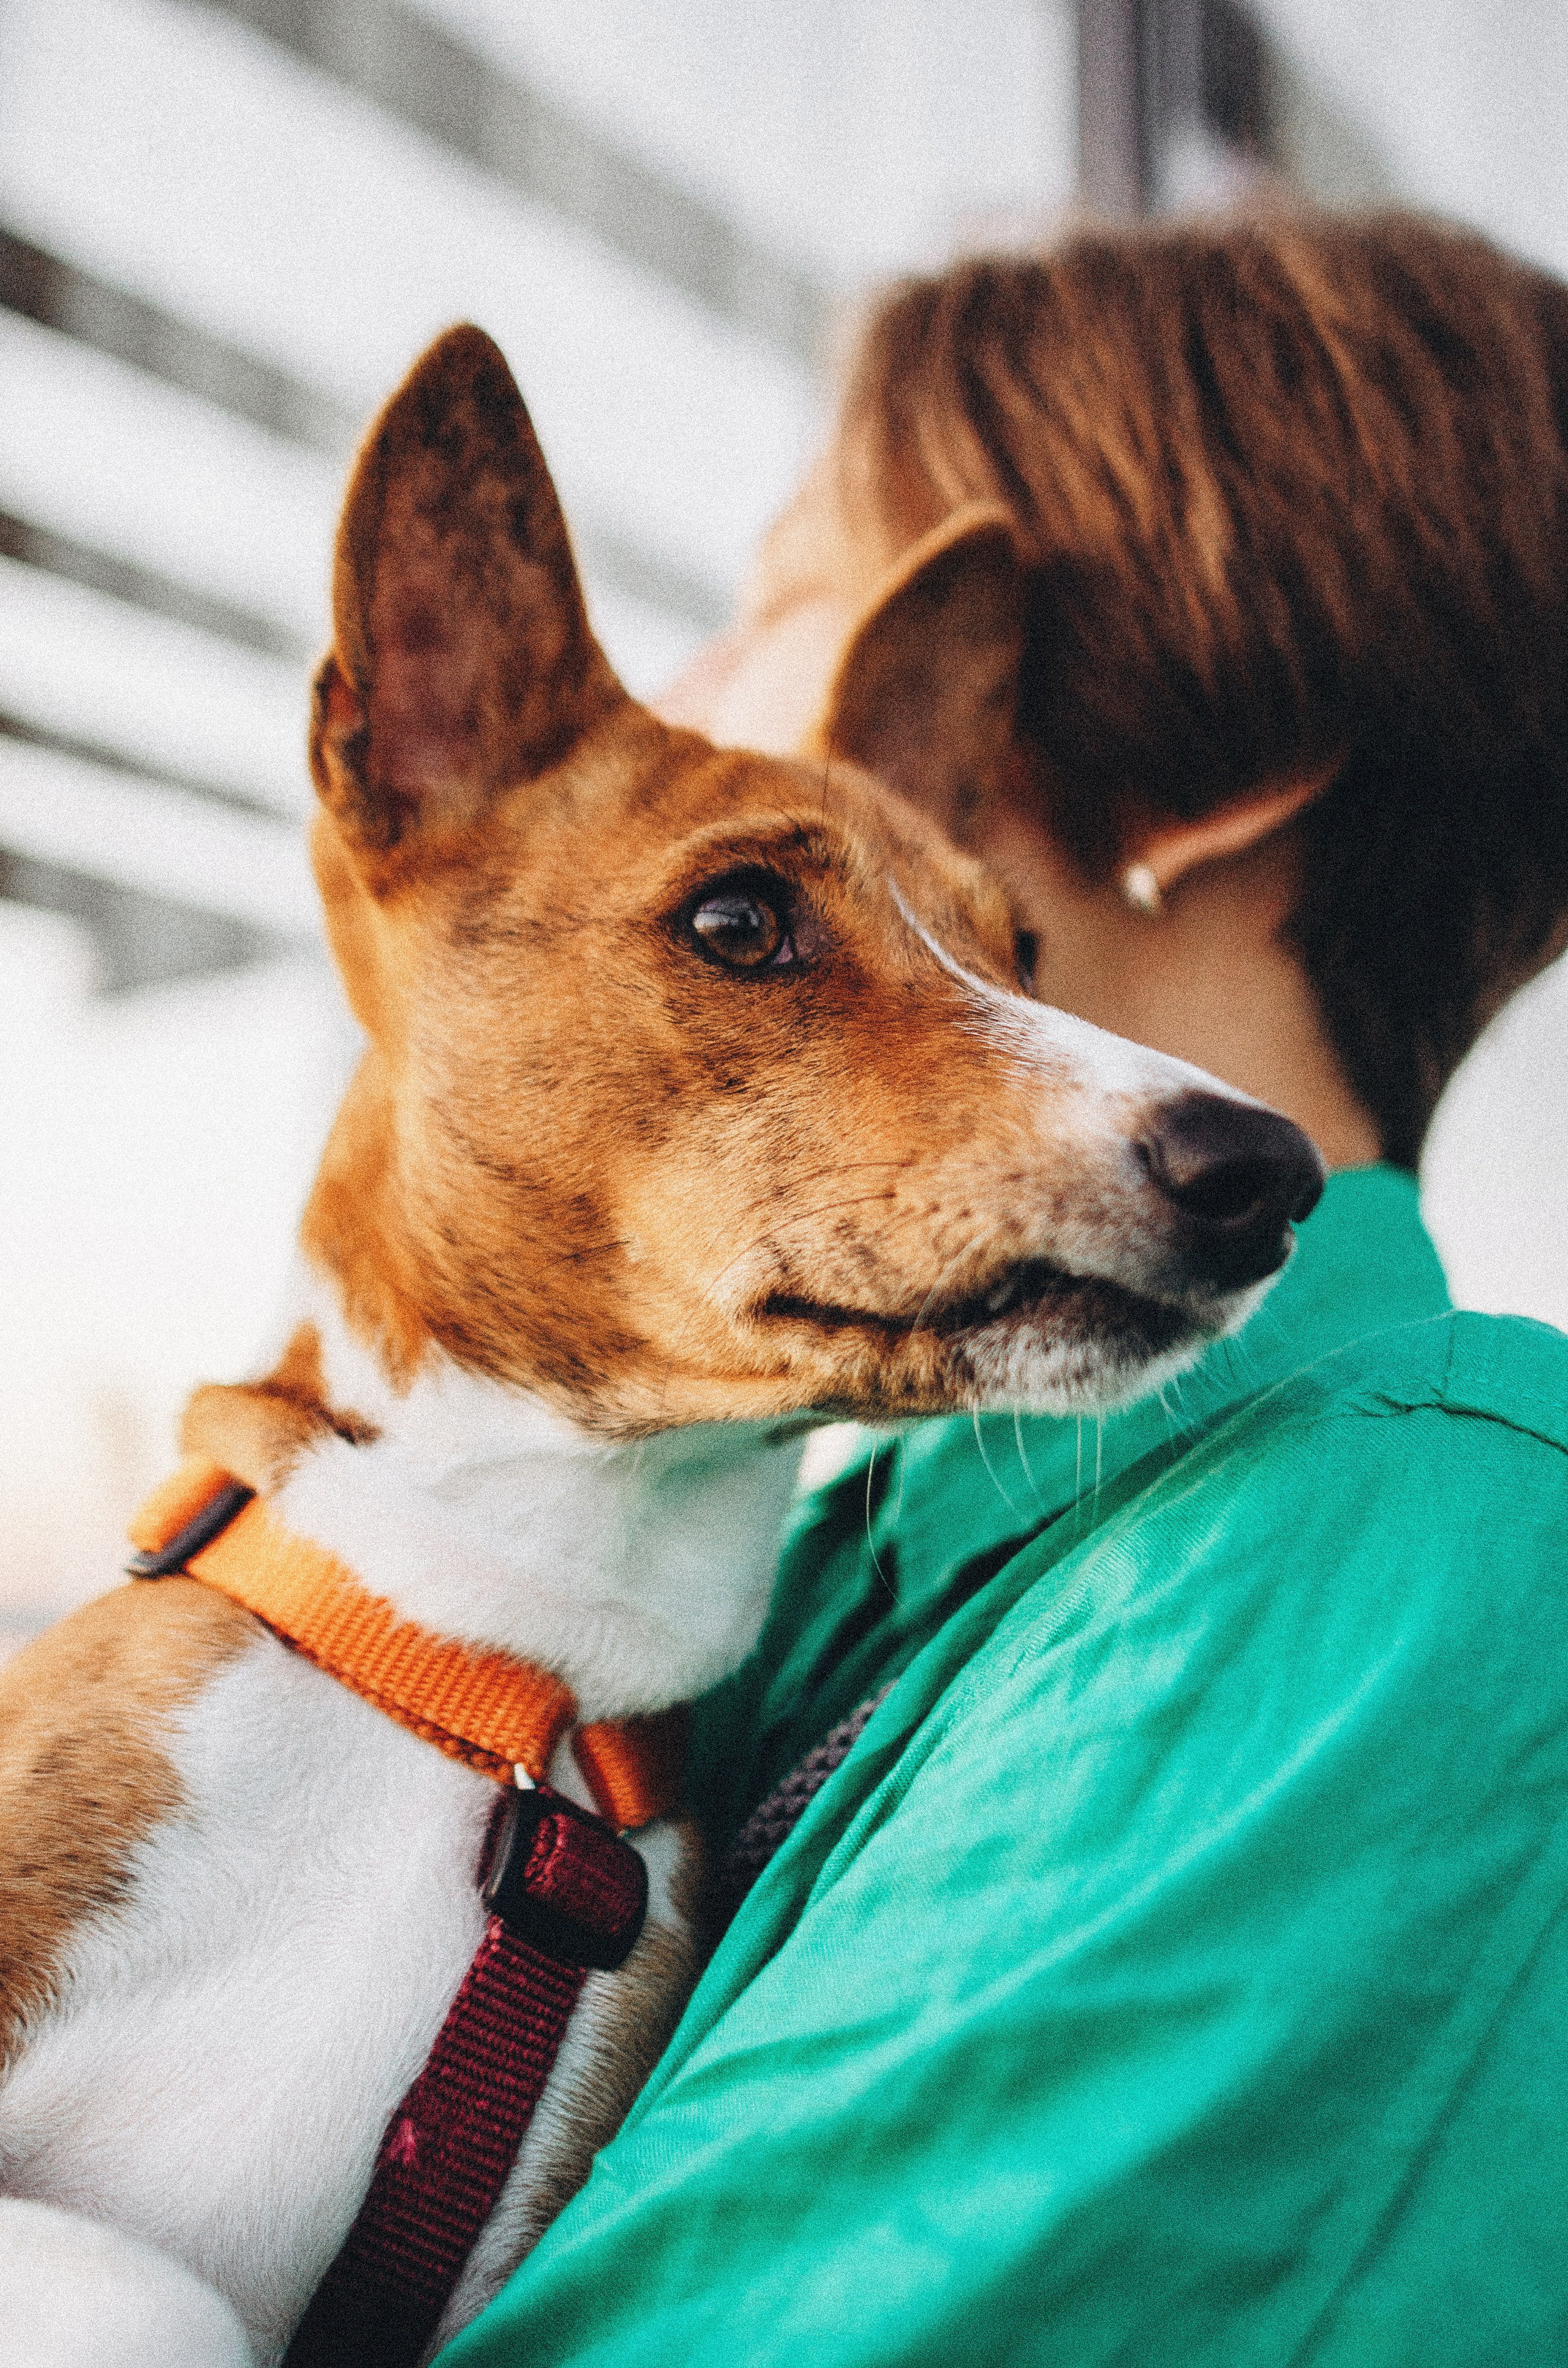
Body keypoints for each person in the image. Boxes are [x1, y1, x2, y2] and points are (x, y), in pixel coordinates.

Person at [443, 216, 1568, 2366]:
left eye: (782, 585)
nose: (671, 693)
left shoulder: (1413, 1557)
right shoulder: (858, 1533)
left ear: (1201, 784)